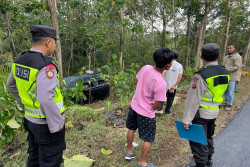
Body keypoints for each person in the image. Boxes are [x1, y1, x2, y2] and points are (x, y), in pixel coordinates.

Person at [7, 25, 66, 167]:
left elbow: (11, 85)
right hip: (47, 125)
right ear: (48, 42)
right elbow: (46, 98)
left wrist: (25, 105)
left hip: (30, 121)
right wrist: (57, 125)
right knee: (51, 161)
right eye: (54, 43)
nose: (54, 47)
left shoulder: (19, 61)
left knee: (34, 158)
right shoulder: (45, 65)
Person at [182, 43, 230, 167]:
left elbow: (193, 99)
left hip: (201, 113)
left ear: (201, 56)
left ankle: (201, 164)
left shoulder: (201, 75)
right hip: (214, 111)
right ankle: (208, 160)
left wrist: (187, 119)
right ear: (219, 56)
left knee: (198, 141)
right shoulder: (225, 72)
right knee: (209, 136)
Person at [125, 48, 174, 167]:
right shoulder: (161, 83)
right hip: (146, 113)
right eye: (171, 62)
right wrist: (149, 104)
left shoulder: (146, 67)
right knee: (148, 138)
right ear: (167, 66)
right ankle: (142, 163)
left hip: (134, 105)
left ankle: (129, 151)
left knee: (131, 128)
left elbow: (137, 82)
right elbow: (157, 105)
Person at [162, 50, 183, 115]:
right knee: (170, 99)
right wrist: (174, 86)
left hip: (165, 85)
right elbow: (180, 77)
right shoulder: (179, 65)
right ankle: (167, 111)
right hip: (173, 86)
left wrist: (164, 84)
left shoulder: (166, 63)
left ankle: (159, 109)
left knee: (162, 97)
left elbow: (163, 73)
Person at [222, 44, 242, 111]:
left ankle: (229, 104)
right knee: (226, 91)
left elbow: (237, 67)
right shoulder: (226, 57)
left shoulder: (237, 57)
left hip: (233, 77)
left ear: (234, 48)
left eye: (230, 48)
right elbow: (223, 65)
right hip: (226, 76)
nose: (229, 49)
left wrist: (226, 69)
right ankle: (226, 102)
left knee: (231, 91)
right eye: (227, 48)